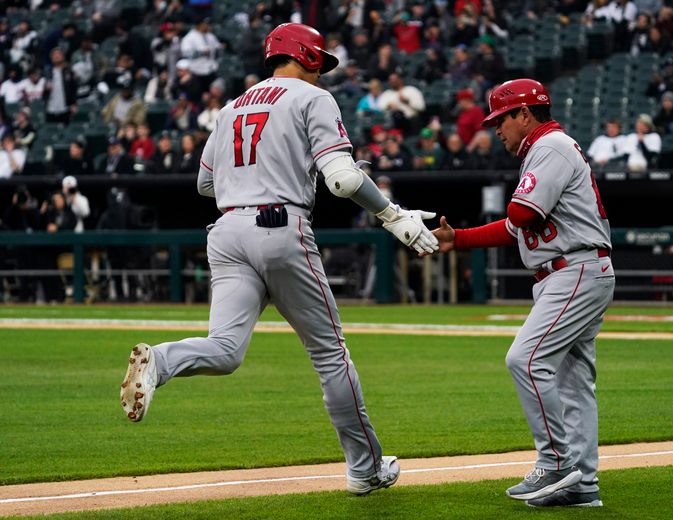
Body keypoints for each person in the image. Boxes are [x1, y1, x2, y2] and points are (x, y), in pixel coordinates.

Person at [119, 22, 439, 496]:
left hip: (226, 232)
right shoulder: (312, 99)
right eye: (320, 63)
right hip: (279, 226)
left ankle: (161, 362)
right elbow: (344, 182)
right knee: (330, 355)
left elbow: (205, 185)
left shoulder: (230, 108)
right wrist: (392, 214)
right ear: (306, 57)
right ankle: (365, 468)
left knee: (225, 350)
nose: (322, 73)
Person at [430, 78, 614, 508]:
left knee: (526, 360)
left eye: (502, 120)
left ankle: (556, 463)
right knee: (572, 384)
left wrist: (507, 205)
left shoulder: (549, 147)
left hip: (574, 269)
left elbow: (520, 212)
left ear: (524, 115)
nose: (497, 130)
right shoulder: (547, 149)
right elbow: (516, 225)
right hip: (575, 269)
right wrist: (460, 238)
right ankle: (581, 484)